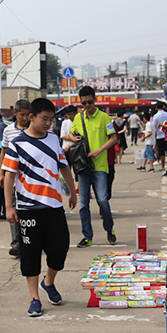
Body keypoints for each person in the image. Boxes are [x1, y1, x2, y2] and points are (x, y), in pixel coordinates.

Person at [2, 98, 77, 317]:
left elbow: (64, 167)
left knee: (59, 250)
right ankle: (34, 298)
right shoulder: (17, 143)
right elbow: (9, 176)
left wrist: (72, 192)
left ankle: (49, 282)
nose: (48, 124)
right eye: (44, 119)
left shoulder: (54, 140)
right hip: (27, 209)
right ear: (31, 117)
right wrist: (9, 206)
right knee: (30, 255)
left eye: (51, 119)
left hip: (54, 207)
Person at [67, 86, 118, 248]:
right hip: (82, 166)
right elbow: (70, 134)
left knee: (102, 200)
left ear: (94, 100)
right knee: (84, 204)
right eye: (84, 103)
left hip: (100, 165)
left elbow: (114, 139)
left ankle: (109, 229)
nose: (87, 105)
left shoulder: (104, 118)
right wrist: (74, 138)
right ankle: (87, 236)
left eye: (89, 102)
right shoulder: (78, 118)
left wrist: (98, 151)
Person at [0, 100, 31, 257]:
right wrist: (1, 173)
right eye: (22, 115)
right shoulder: (8, 131)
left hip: (31, 178)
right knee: (13, 207)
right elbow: (3, 153)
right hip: (13, 176)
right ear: (15, 114)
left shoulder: (35, 129)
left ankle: (31, 240)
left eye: (27, 115)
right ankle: (16, 243)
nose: (25, 118)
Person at [153, 102, 167, 171]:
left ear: (156, 108)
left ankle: (162, 166)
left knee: (161, 152)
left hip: (160, 136)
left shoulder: (155, 116)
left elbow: (155, 126)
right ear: (163, 107)